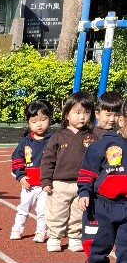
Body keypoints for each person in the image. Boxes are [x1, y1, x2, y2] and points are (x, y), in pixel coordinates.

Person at [78, 99, 127, 263]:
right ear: (122, 121)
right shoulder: (104, 144)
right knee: (102, 240)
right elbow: (88, 171)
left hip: (126, 204)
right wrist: (84, 191)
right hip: (103, 204)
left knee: (126, 242)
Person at [40, 91, 95, 252]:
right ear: (67, 115)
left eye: (86, 112)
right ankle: (54, 237)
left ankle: (75, 237)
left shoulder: (92, 137)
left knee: (78, 213)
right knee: (57, 213)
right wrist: (46, 180)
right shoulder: (58, 137)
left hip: (82, 185)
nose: (82, 117)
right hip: (59, 184)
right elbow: (47, 160)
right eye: (77, 112)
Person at [79, 90, 122, 256]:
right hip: (96, 196)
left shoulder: (122, 138)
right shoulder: (91, 136)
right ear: (97, 114)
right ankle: (93, 261)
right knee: (94, 234)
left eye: (116, 115)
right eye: (108, 114)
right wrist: (84, 190)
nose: (112, 119)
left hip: (118, 197)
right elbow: (86, 166)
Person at [9, 99, 53, 242]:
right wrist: (21, 176)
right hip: (28, 185)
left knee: (42, 210)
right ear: (28, 123)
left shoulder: (54, 140)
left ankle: (41, 231)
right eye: (34, 121)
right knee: (23, 208)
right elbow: (16, 160)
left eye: (43, 120)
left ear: (50, 119)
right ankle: (17, 228)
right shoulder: (25, 142)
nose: (39, 124)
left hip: (45, 185)